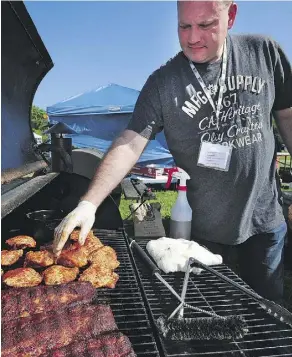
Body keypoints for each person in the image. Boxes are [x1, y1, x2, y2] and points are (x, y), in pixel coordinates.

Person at [54, 0, 292, 302]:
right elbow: (131, 141)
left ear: (230, 16)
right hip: (205, 232)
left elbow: (286, 115)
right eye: (184, 26)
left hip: (265, 222)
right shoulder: (163, 83)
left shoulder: (265, 53)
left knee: (268, 312)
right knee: (209, 316)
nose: (193, 37)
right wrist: (89, 203)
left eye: (206, 25)